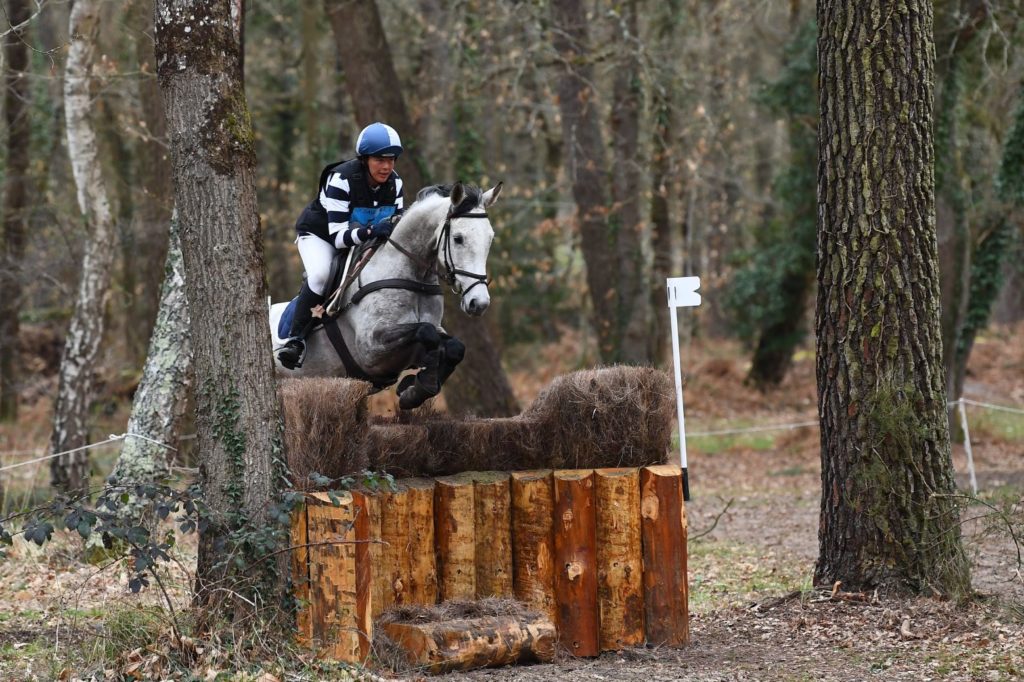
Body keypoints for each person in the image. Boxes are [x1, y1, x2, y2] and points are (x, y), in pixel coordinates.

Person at [276, 122, 405, 369]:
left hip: (363, 240)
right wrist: (371, 231)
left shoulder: (395, 184)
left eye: (392, 159)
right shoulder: (341, 179)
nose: (387, 166)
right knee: (321, 275)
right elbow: (338, 239)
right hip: (320, 236)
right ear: (365, 158)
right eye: (380, 159)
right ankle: (295, 340)